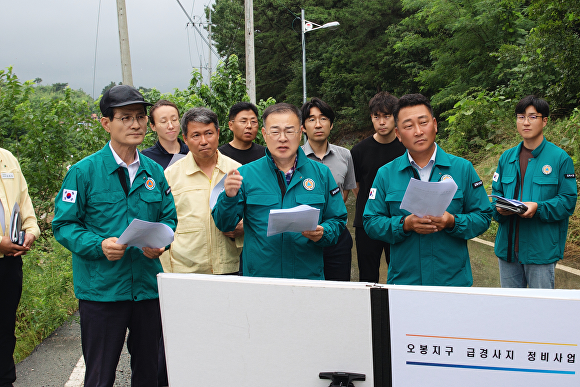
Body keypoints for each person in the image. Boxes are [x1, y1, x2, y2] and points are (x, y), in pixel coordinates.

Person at [52, 85, 177, 387]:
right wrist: (99, 245)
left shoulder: (154, 172)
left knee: (150, 372)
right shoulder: (84, 172)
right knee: (100, 374)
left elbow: (169, 217)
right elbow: (64, 225)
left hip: (147, 288)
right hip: (102, 291)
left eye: (140, 117)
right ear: (106, 123)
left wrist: (160, 243)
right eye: (125, 118)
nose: (135, 124)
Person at [363, 93, 491, 286]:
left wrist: (452, 221)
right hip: (406, 281)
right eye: (408, 126)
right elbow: (371, 222)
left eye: (423, 123)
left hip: (452, 281)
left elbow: (483, 216)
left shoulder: (462, 169)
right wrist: (404, 224)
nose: (418, 131)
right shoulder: (386, 174)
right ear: (398, 134)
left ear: (435, 125)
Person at [212, 103, 347, 279]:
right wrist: (229, 197)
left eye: (289, 131)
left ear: (300, 133)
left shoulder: (321, 174)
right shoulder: (245, 174)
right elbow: (224, 224)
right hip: (260, 278)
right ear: (264, 134)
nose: (282, 138)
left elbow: (337, 219)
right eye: (275, 131)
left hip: (306, 276)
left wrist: (324, 232)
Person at [492, 95, 577, 288]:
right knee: (511, 308)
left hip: (540, 250)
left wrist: (538, 207)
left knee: (541, 309)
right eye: (521, 117)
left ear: (544, 121)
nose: (525, 122)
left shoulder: (560, 159)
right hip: (507, 249)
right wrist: (499, 209)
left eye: (532, 117)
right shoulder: (506, 158)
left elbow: (567, 201)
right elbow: (495, 194)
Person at [164, 107, 243, 274]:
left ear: (218, 133)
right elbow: (163, 223)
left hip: (228, 268)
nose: (204, 141)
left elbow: (252, 214)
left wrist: (245, 226)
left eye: (209, 133)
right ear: (185, 139)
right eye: (196, 135)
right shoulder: (170, 175)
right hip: (185, 270)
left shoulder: (237, 171)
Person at [350, 91, 406, 283]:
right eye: (377, 117)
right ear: (371, 118)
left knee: (399, 272)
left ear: (395, 118)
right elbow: (357, 186)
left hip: (399, 221)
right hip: (367, 222)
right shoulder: (358, 151)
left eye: (387, 116)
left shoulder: (406, 149)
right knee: (367, 275)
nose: (382, 122)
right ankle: (370, 312)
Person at [300, 97, 356, 281]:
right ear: (303, 127)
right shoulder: (295, 157)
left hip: (337, 234)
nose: (318, 124)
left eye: (323, 118)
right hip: (305, 235)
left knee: (339, 290)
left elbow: (344, 194)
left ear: (331, 125)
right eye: (311, 119)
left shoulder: (345, 155)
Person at [0, 148, 40, 387]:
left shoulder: (7, 159)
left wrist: (31, 232)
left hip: (10, 262)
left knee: (5, 328)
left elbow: (25, 204)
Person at [141, 99, 189, 169]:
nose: (171, 126)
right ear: (153, 126)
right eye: (163, 121)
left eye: (174, 120)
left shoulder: (192, 152)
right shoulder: (146, 158)